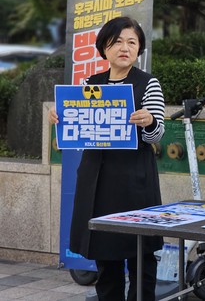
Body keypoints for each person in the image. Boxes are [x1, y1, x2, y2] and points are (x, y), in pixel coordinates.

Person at [49, 16, 165, 301]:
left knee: (141, 254)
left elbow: (156, 135)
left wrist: (148, 121)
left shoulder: (148, 84)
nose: (124, 48)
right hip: (97, 179)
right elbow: (75, 133)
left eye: (132, 42)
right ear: (104, 47)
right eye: (117, 42)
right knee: (105, 253)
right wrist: (60, 118)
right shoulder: (90, 83)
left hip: (134, 178)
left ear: (139, 49)